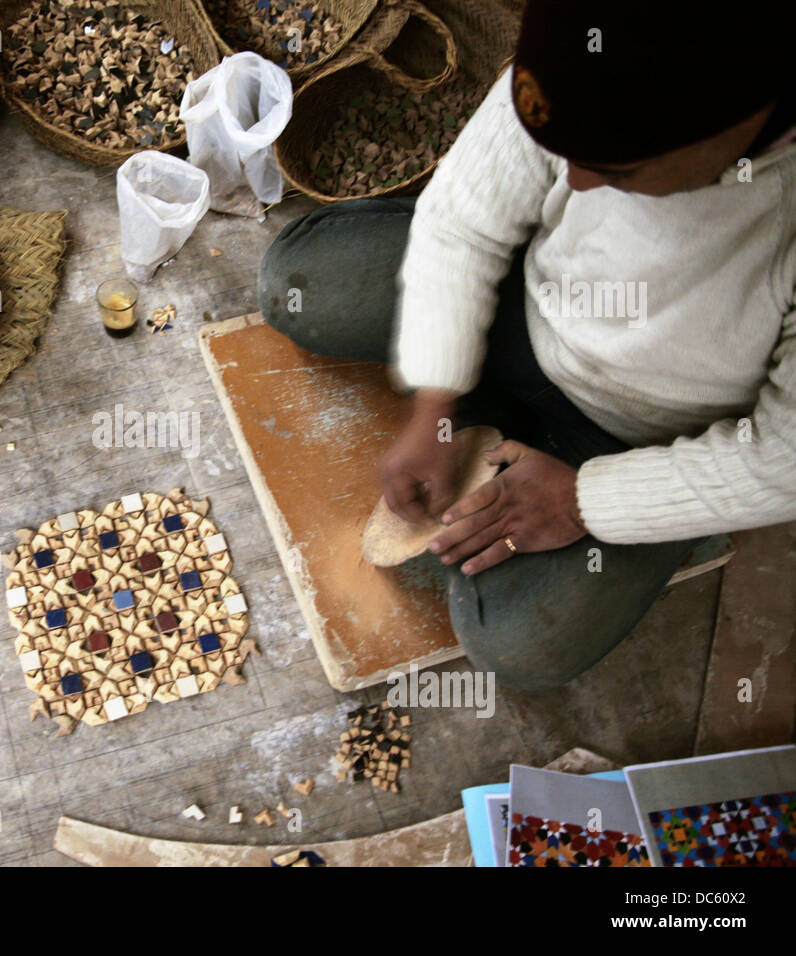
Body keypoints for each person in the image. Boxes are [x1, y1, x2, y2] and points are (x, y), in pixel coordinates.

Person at [258, 0, 796, 689]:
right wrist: (435, 401)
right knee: (299, 284)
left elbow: (781, 458)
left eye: (617, 170)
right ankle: (488, 417)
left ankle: (615, 507)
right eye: (562, 152)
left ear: (740, 127)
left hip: (646, 438)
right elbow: (463, 221)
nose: (574, 182)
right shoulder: (592, 44)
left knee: (517, 650)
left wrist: (587, 502)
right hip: (525, 316)